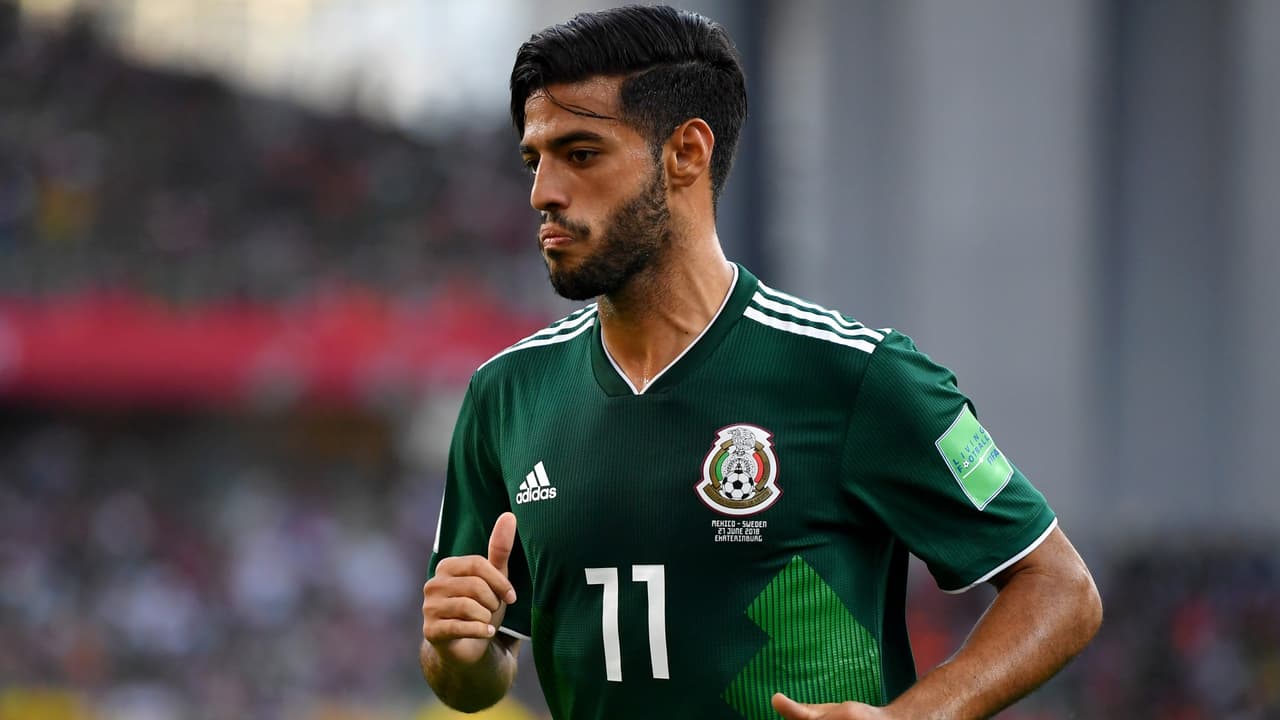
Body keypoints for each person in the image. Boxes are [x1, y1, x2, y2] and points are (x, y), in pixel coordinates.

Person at [420, 6, 1102, 719]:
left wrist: (913, 717)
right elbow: (474, 674)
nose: (542, 193)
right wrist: (456, 652)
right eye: (534, 160)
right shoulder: (506, 395)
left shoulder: (854, 375)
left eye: (581, 154)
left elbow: (1061, 588)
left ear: (686, 152)